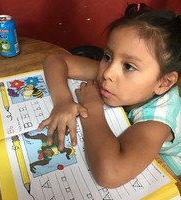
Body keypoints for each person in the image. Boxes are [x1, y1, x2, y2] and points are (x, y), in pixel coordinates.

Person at [38, 3, 181, 188]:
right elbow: (55, 60)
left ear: (163, 83)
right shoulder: (114, 76)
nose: (107, 73)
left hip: (170, 173)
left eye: (128, 66)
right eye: (108, 56)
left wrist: (92, 107)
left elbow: (111, 174)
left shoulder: (159, 120)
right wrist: (63, 101)